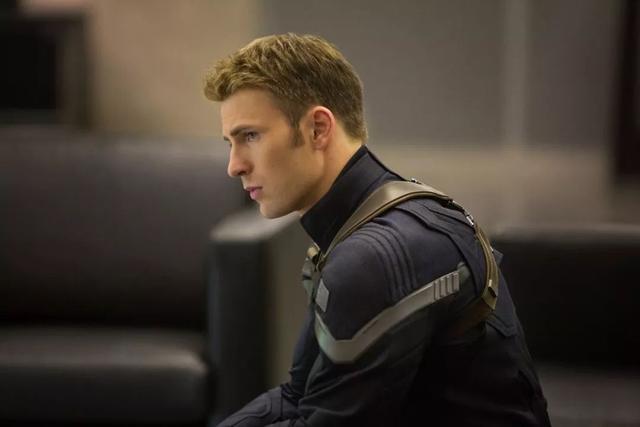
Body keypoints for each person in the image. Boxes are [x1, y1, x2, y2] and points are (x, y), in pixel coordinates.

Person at [204, 33, 551, 427]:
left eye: (250, 136)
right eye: (230, 143)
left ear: (318, 129)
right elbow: (296, 395)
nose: (234, 165)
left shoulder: (374, 258)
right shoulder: (370, 222)